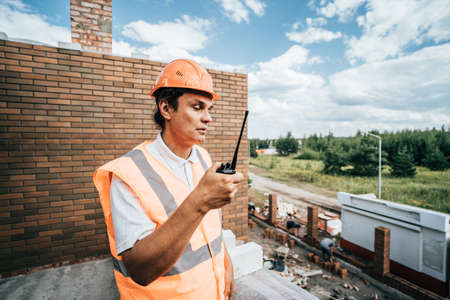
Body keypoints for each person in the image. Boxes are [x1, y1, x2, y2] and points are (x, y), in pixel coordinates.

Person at [93, 59, 245, 300]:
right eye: (197, 107)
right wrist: (199, 202)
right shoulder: (128, 174)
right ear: (166, 109)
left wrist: (225, 263)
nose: (208, 118)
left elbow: (211, 230)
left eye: (209, 109)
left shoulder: (203, 158)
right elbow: (140, 269)